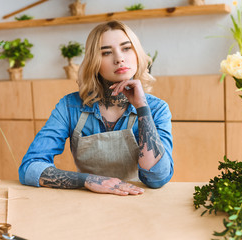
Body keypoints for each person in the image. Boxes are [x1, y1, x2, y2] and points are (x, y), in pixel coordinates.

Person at [19, 21, 173, 196]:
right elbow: (30, 167)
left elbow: (157, 177)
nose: (119, 58)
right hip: (87, 201)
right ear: (94, 62)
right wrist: (88, 180)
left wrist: (142, 108)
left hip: (139, 201)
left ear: (137, 54)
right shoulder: (70, 106)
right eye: (106, 52)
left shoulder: (156, 108)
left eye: (126, 48)